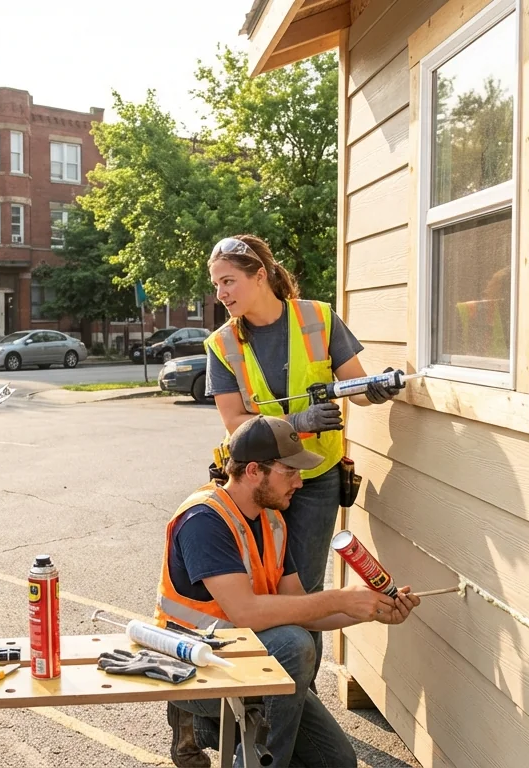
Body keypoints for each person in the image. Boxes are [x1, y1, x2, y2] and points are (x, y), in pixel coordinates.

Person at [160, 415, 420, 767]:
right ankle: (213, 725)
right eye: (290, 472)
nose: (299, 482)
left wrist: (371, 610)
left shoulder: (272, 521)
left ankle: (213, 729)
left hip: (250, 661)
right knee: (294, 646)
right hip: (194, 667)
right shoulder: (204, 521)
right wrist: (341, 597)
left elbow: (302, 608)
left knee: (337, 762)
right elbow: (246, 613)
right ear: (253, 471)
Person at [204, 234, 406, 685]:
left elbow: (355, 384)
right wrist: (298, 418)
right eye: (217, 285)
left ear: (261, 276)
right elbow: (235, 422)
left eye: (229, 281)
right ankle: (265, 694)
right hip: (256, 483)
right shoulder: (222, 343)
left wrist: (375, 391)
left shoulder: (318, 318)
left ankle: (300, 698)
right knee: (263, 591)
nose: (221, 294)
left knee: (306, 593)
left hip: (313, 479)